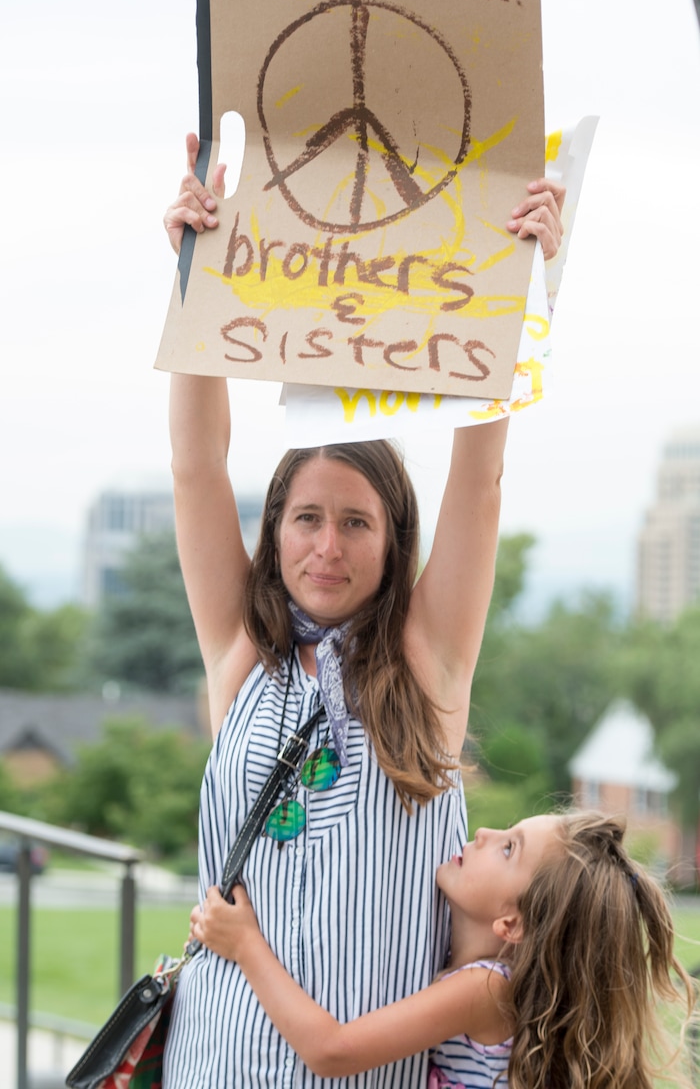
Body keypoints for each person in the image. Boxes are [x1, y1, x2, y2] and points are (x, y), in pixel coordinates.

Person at [160, 133, 566, 1089]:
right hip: (214, 1065)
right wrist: (195, 275)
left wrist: (518, 283)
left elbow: (482, 481)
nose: (327, 547)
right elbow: (193, 466)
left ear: (395, 545)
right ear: (275, 529)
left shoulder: (430, 667)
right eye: (306, 519)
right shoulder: (240, 651)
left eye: (355, 523)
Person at [190, 811, 696, 1089]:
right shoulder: (477, 975)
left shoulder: (486, 988)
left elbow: (332, 1050)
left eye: (508, 848)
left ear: (511, 922)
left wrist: (246, 944)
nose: (483, 831)